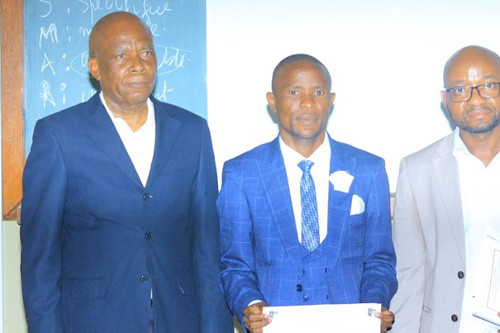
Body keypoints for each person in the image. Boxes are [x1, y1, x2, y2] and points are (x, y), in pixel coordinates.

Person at [20, 11, 233, 333]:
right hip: (93, 320)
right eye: (122, 55)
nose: (138, 64)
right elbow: (40, 256)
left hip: (178, 317)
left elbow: (206, 245)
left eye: (146, 52)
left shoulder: (192, 131)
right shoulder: (58, 135)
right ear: (96, 69)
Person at [217, 54, 397, 333]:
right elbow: (235, 265)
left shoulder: (369, 170)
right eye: (293, 92)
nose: (308, 102)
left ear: (331, 100)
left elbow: (380, 260)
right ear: (272, 101)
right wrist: (250, 303)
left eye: (319, 92)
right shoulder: (241, 173)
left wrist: (372, 308)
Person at [390, 45, 500, 332]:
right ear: (445, 99)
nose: (476, 99)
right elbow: (409, 273)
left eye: (488, 85)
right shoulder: (417, 170)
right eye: (461, 89)